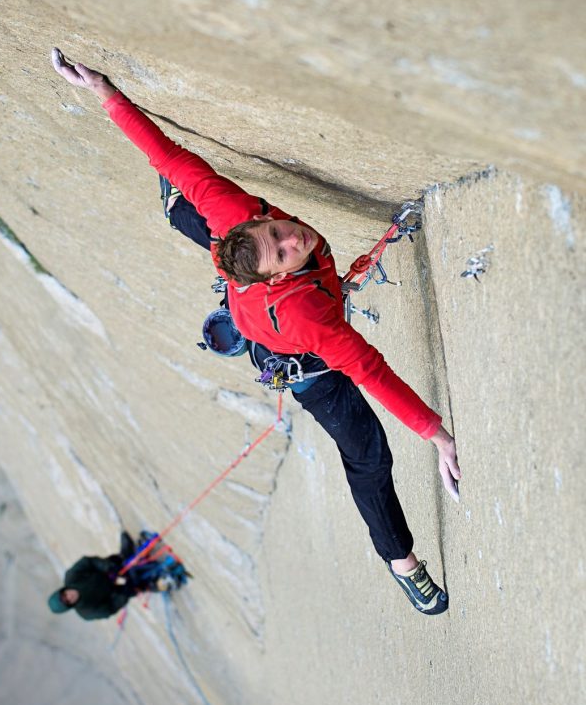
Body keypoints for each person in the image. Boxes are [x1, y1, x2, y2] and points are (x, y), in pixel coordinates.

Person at [51, 48, 461, 616]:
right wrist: (436, 434)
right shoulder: (309, 317)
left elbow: (172, 159)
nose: (295, 237)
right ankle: (402, 565)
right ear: (275, 274)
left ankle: (183, 222)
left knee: (189, 200)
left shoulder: (236, 218)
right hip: (305, 367)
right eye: (285, 252)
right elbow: (368, 370)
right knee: (368, 457)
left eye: (279, 230)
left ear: (254, 220)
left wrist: (104, 93)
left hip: (255, 297)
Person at [47, 530, 188, 621]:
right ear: (71, 605)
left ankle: (125, 555)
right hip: (120, 589)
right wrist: (122, 591)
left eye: (64, 595)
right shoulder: (87, 612)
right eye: (68, 601)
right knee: (135, 582)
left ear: (63, 590)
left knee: (119, 562)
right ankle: (158, 583)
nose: (69, 596)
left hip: (111, 569)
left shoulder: (71, 576)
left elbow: (88, 562)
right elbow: (110, 608)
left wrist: (108, 568)